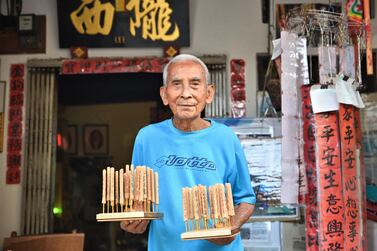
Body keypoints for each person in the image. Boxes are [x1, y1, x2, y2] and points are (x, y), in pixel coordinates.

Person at [120, 54, 255, 250]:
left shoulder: (226, 138)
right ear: (164, 94)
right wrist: (134, 221)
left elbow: (245, 199)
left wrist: (232, 226)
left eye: (194, 84)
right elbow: (138, 202)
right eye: (176, 84)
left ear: (209, 93)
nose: (186, 94)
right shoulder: (147, 138)